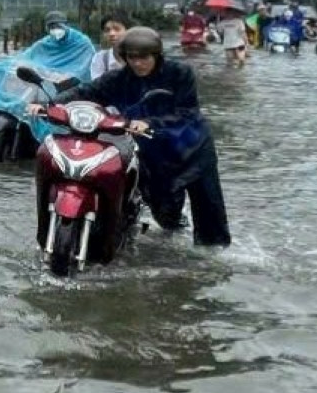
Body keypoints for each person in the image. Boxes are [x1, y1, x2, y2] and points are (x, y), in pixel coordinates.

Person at [38, 25, 232, 246]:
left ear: (156, 55)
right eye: (132, 57)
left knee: (209, 210)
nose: (138, 63)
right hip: (153, 152)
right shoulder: (118, 79)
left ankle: (213, 255)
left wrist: (149, 122)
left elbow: (188, 113)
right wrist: (49, 105)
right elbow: (85, 92)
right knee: (164, 213)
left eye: (144, 57)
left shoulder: (180, 73)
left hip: (192, 147)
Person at [89, 12, 129, 78]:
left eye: (117, 29)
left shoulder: (140, 57)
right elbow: (97, 86)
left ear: (128, 30)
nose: (111, 34)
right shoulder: (101, 58)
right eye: (107, 30)